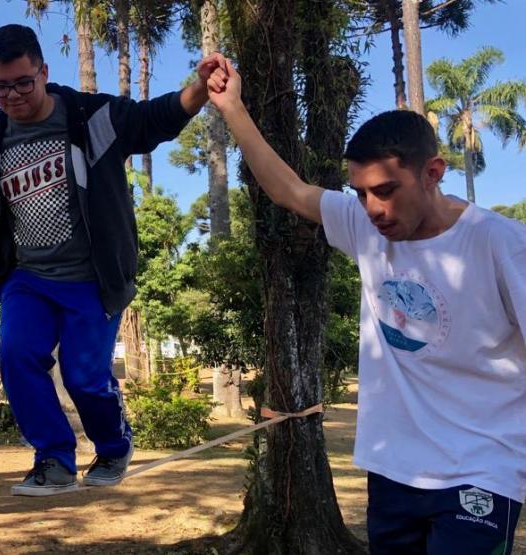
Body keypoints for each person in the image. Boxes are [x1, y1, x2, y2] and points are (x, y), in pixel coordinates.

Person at [0, 23, 223, 495]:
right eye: (0, 86)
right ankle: (53, 458)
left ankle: (113, 446)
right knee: (15, 354)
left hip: (91, 277)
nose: (12, 96)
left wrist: (200, 88)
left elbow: (158, 117)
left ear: (44, 72)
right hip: (27, 277)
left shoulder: (92, 118)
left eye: (23, 83)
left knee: (84, 377)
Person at [208, 57, 526, 555]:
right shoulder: (362, 223)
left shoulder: (501, 244)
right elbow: (288, 189)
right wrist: (232, 108)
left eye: (386, 190)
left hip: (482, 469)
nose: (374, 208)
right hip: (394, 468)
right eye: (360, 193)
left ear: (433, 173)